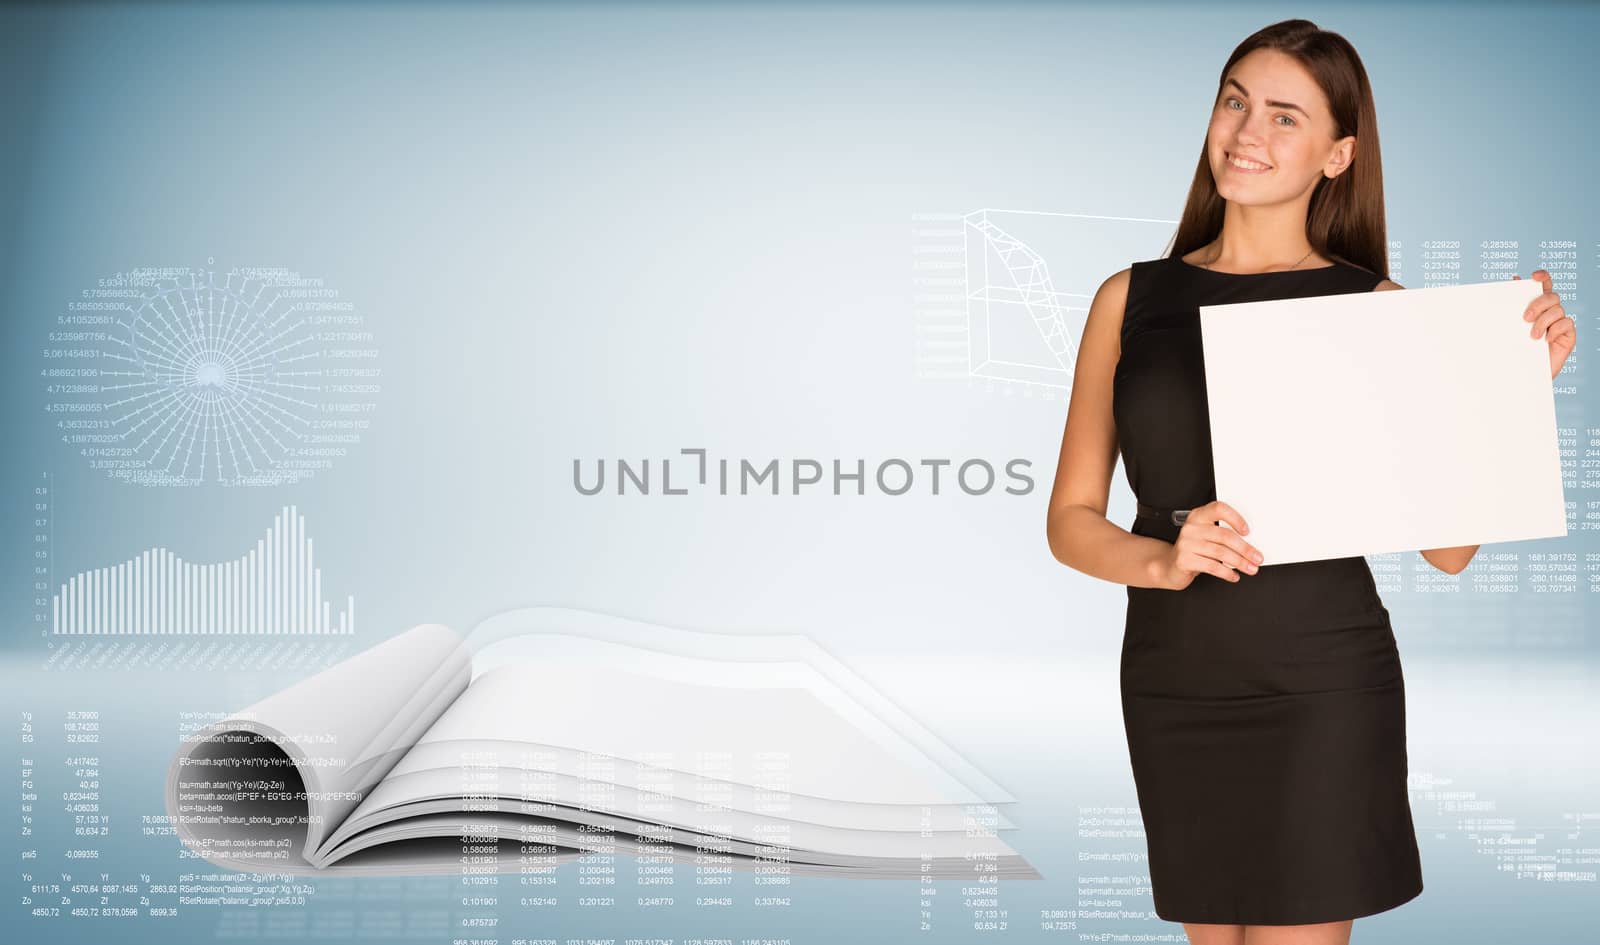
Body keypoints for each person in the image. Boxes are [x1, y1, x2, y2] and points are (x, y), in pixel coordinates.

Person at [1043, 18, 1576, 945]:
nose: (1248, 132)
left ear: (1338, 155)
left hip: (1322, 681)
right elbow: (1070, 520)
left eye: (1285, 117)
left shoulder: (1377, 311)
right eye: (1236, 101)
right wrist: (1166, 560)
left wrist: (1510, 392)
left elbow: (1450, 550)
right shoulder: (1129, 299)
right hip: (1177, 679)